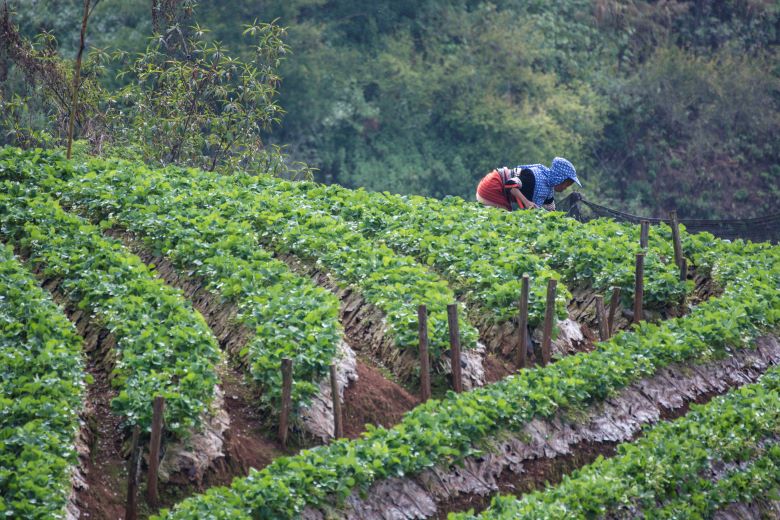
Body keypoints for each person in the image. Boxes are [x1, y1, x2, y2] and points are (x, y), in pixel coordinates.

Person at [476, 157, 581, 211]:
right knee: (503, 221)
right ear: (559, 178)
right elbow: (510, 184)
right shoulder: (534, 176)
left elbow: (550, 210)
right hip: (493, 186)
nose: (565, 188)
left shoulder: (548, 189)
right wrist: (527, 202)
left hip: (498, 189)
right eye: (566, 184)